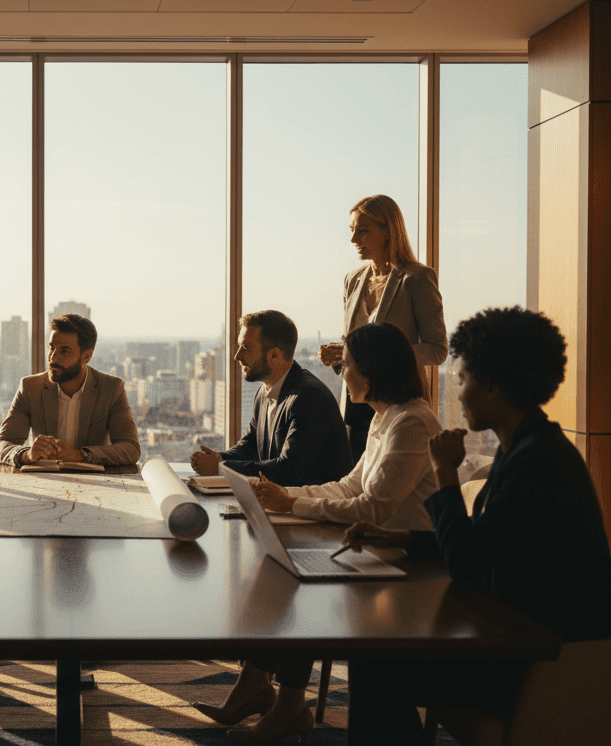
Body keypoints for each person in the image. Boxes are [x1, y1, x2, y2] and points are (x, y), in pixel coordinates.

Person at [338, 307, 611, 745]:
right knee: (375, 655)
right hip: (524, 637)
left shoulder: (535, 466)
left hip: (544, 661)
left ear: (491, 387)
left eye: (462, 379)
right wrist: (400, 537)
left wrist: (446, 474)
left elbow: (468, 564)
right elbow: (487, 544)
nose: (456, 392)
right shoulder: (532, 448)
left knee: (377, 662)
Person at [192, 321, 442, 744]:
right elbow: (349, 485)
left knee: (298, 584)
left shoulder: (412, 423)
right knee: (288, 574)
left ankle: (283, 704)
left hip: (409, 566)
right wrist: (283, 496)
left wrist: (291, 502)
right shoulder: (385, 418)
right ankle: (279, 700)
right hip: (374, 552)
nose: (342, 375)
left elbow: (373, 507)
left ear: (372, 370)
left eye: (347, 366)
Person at [318, 195, 446, 461]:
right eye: (352, 231)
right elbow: (354, 346)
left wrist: (380, 357)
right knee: (354, 483)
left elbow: (437, 350)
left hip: (399, 402)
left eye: (362, 231)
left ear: (388, 231)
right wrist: (339, 355)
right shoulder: (352, 281)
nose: (354, 240)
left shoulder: (417, 279)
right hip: (357, 404)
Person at [190, 310, 351, 486]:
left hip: (314, 508)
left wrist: (220, 467)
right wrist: (218, 458)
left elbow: (288, 470)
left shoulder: (310, 397)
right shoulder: (264, 393)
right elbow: (252, 445)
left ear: (274, 354)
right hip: (283, 503)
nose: (238, 357)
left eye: (245, 348)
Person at [0, 313, 141, 467]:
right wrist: (27, 454)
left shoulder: (111, 389)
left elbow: (131, 449)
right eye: (51, 348)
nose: (53, 358)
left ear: (86, 357)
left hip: (94, 484)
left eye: (64, 351)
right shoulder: (30, 388)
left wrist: (80, 455)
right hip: (44, 483)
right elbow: (1, 446)